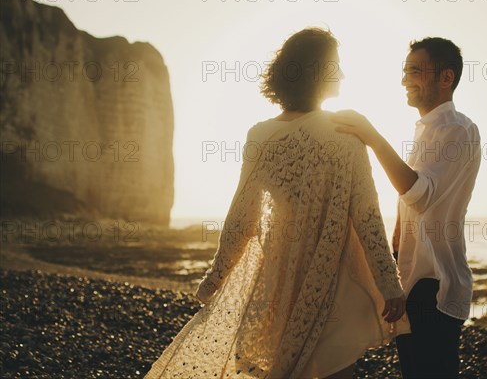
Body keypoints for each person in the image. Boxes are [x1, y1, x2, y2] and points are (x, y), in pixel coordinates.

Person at [144, 27, 410, 379]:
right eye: (336, 66)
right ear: (317, 71)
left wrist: (214, 280)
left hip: (278, 281)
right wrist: (389, 284)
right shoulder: (346, 134)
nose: (343, 74)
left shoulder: (260, 135)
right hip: (332, 278)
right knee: (333, 368)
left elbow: (242, 217)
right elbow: (367, 216)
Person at [331, 37, 481, 378]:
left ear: (446, 78)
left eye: (415, 70)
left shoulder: (458, 129)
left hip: (436, 285)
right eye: (404, 71)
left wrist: (372, 137)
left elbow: (420, 194)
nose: (404, 80)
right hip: (413, 279)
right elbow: (412, 205)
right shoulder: (426, 130)